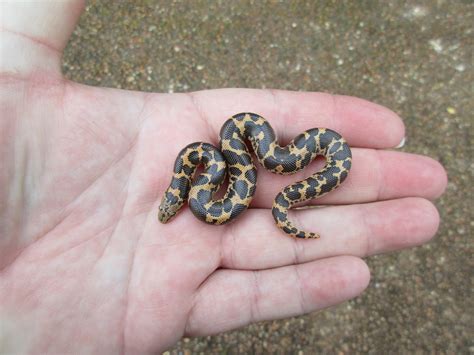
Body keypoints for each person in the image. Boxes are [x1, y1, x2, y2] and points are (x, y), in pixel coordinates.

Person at [0, 1, 447, 353]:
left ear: (181, 188)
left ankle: (290, 201)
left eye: (171, 205)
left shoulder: (210, 162)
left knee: (282, 163)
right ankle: (287, 205)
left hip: (282, 148)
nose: (172, 209)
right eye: (173, 206)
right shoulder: (203, 167)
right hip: (243, 163)